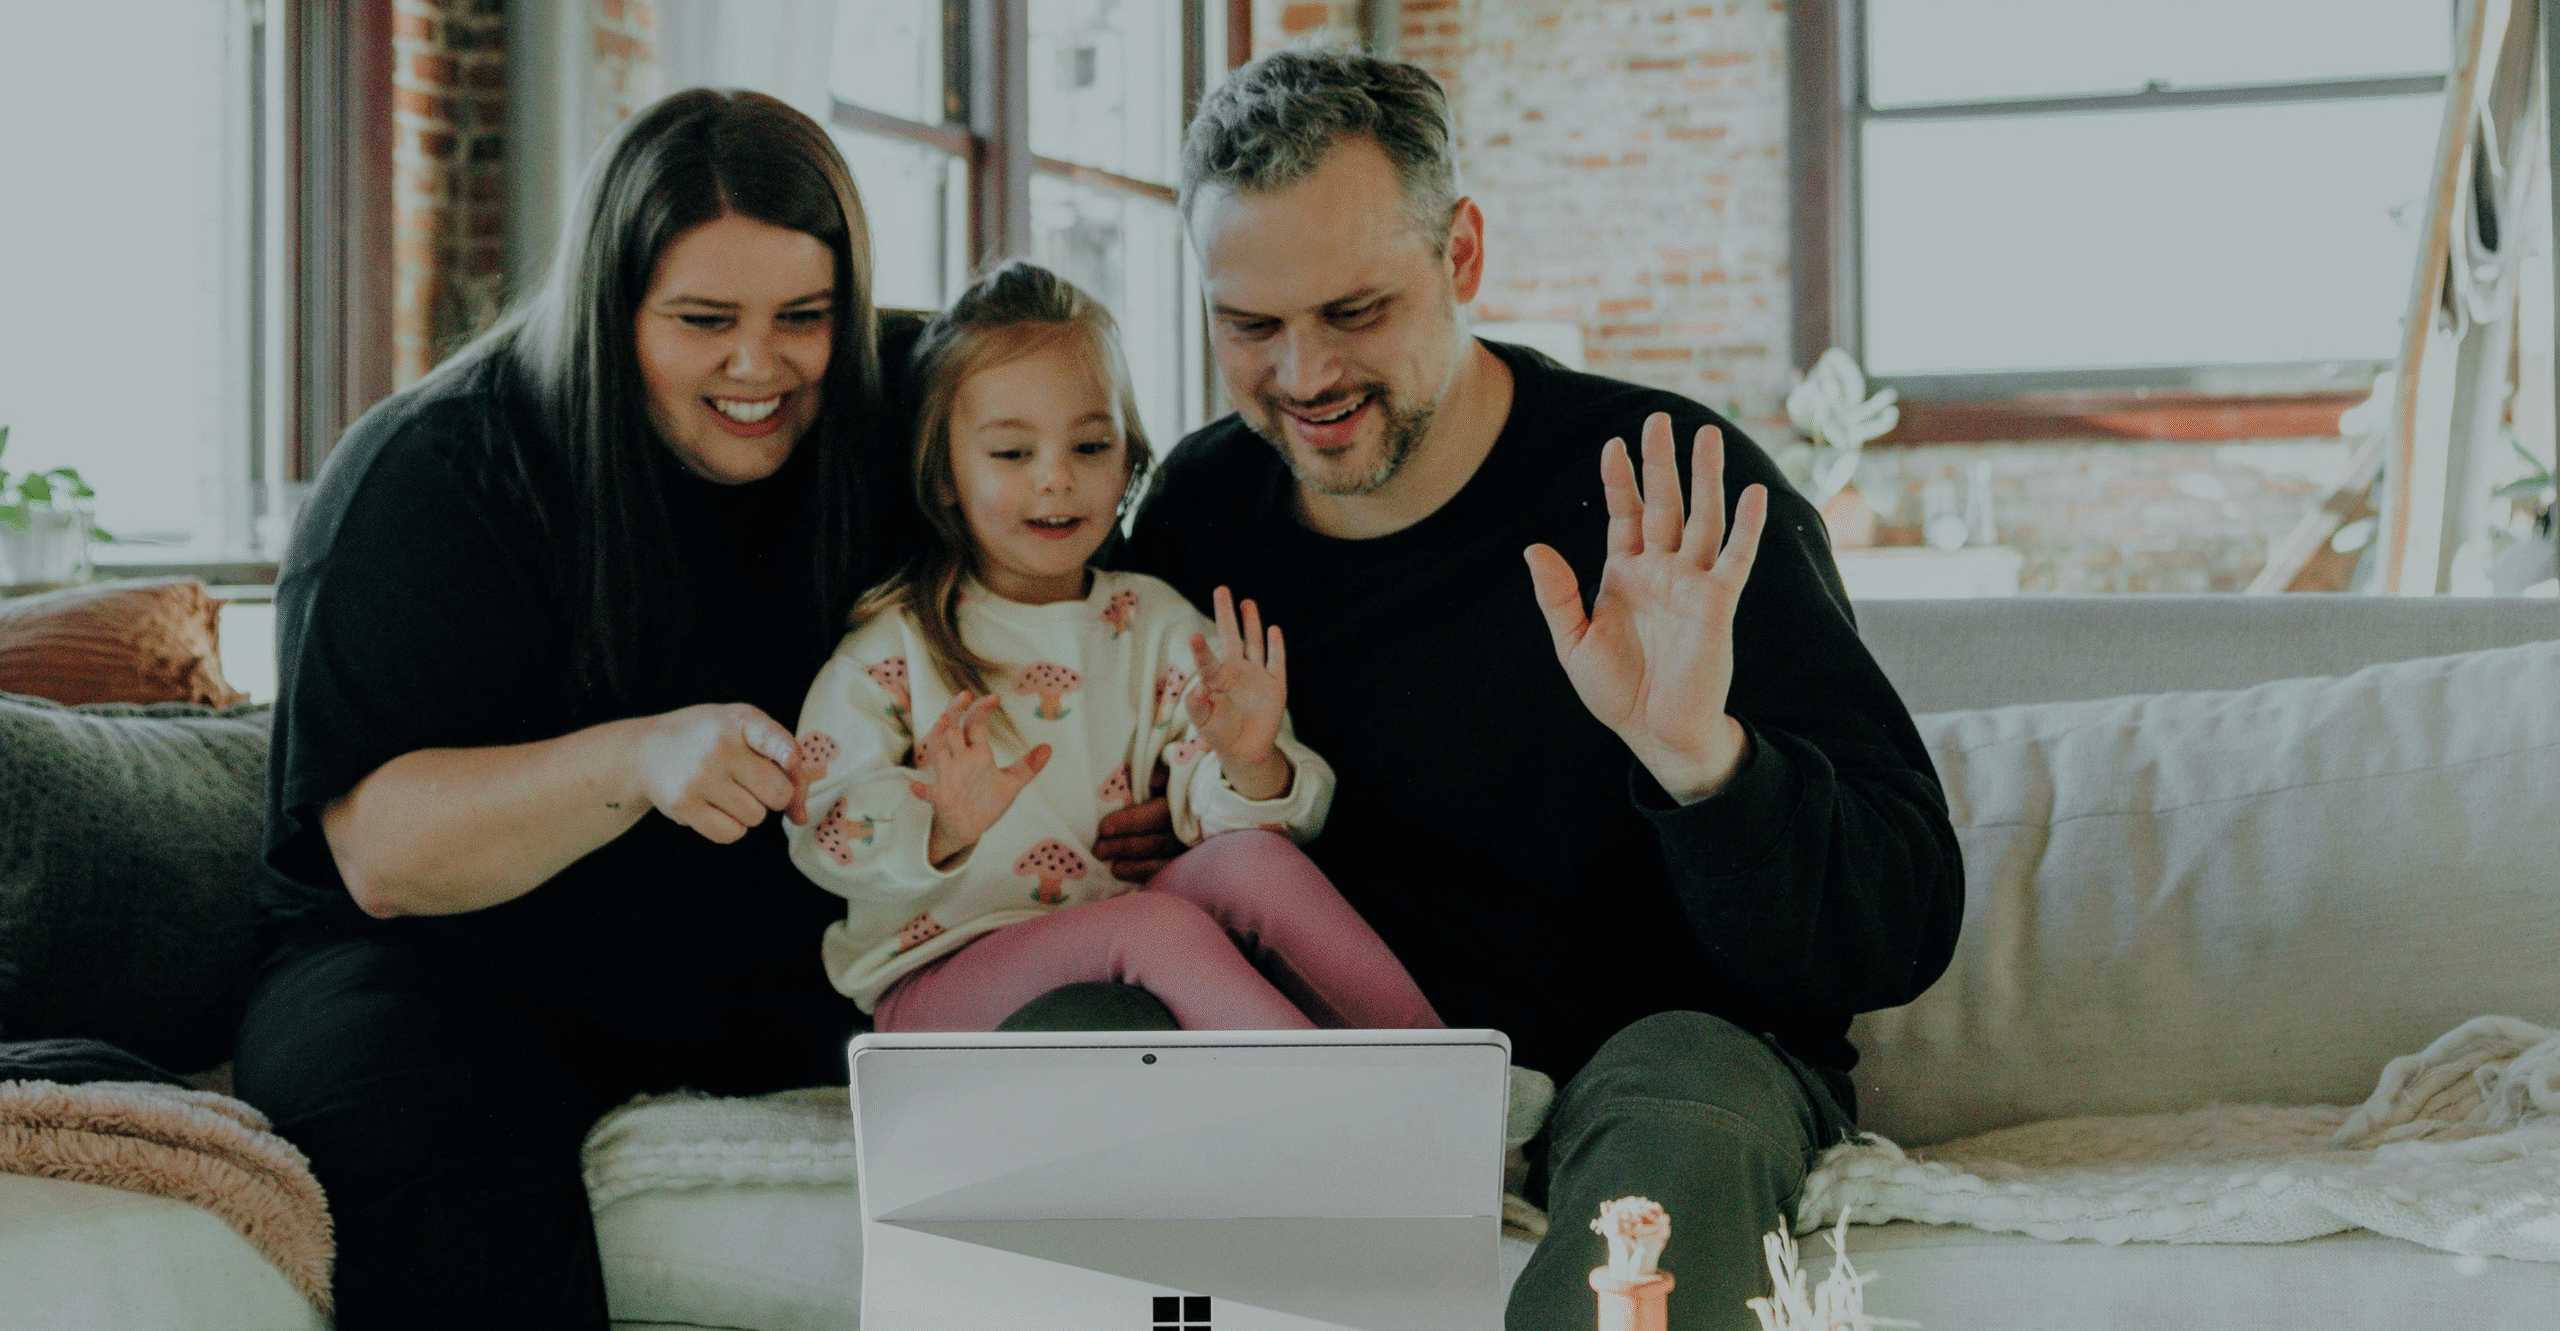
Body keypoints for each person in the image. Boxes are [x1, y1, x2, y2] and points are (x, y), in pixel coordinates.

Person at [1104, 51, 1967, 1331]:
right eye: (1250, 325)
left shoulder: (1672, 483)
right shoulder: (1198, 507)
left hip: (1671, 1053)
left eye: (1353, 311)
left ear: (1460, 256)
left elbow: (1896, 922)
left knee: (1671, 1118)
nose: (1300, 376)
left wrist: (1699, 756)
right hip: (1325, 1052)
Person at [233, 91, 920, 1328]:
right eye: (702, 321)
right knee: (410, 1123)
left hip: (792, 968)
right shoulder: (436, 470)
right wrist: (639, 757)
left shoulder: (900, 411)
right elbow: (379, 852)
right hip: (456, 971)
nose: (758, 366)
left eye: (803, 319)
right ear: (612, 309)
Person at [785, 261, 1440, 1035]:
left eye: (1090, 445)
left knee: (1252, 865)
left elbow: (1229, 820)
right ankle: (1354, 1118)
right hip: (937, 983)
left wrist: (1248, 761)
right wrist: (942, 826)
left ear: (1128, 456)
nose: (1057, 479)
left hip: (1117, 949)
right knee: (1159, 927)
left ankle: (1461, 1091)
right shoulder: (892, 648)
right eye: (1011, 454)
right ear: (946, 472)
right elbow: (819, 826)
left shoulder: (1155, 622)